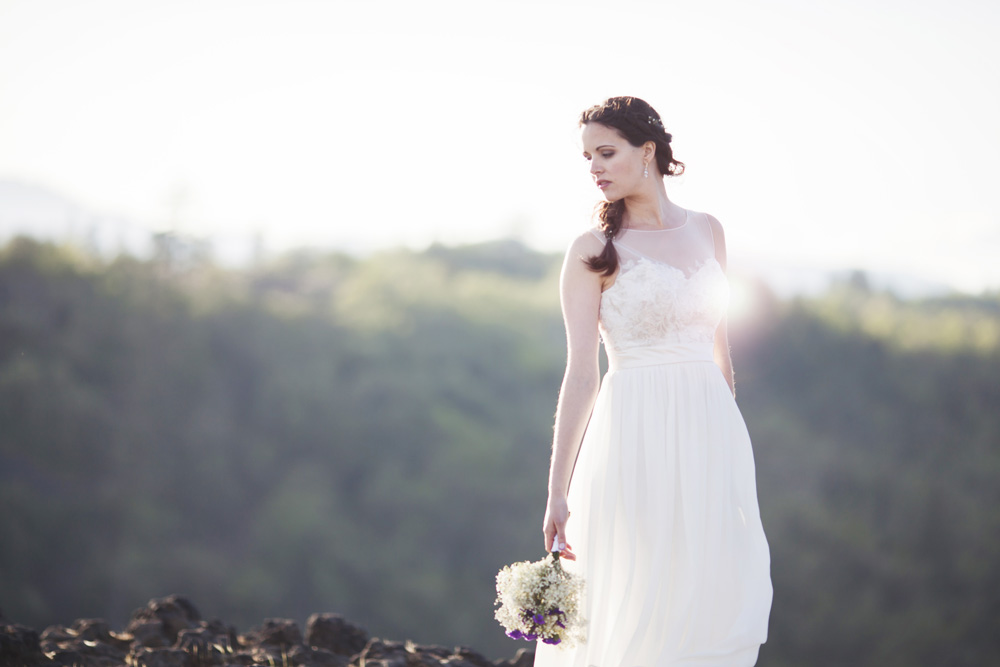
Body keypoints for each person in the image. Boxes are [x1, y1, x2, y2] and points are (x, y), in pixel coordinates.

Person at [534, 97, 772, 667]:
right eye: (588, 156)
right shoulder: (593, 250)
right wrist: (558, 490)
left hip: (710, 429)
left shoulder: (709, 230)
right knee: (638, 582)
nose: (594, 167)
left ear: (648, 151)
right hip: (633, 429)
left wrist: (727, 440)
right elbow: (582, 371)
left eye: (607, 152)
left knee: (706, 582)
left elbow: (722, 352)